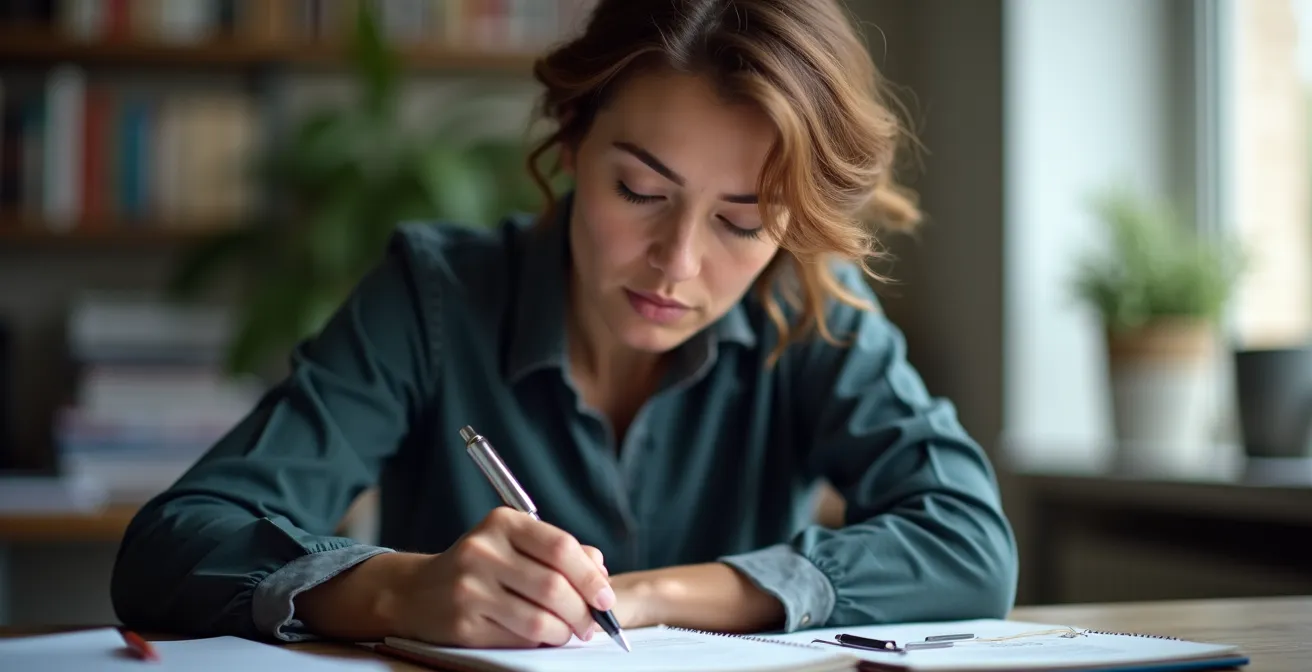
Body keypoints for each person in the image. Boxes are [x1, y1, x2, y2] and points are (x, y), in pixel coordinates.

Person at [111, 0, 1018, 649]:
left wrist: (653, 598)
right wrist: (399, 588)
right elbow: (173, 544)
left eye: (743, 222)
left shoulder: (810, 310)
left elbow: (970, 543)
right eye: (641, 191)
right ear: (573, 140)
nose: (679, 263)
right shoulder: (434, 296)